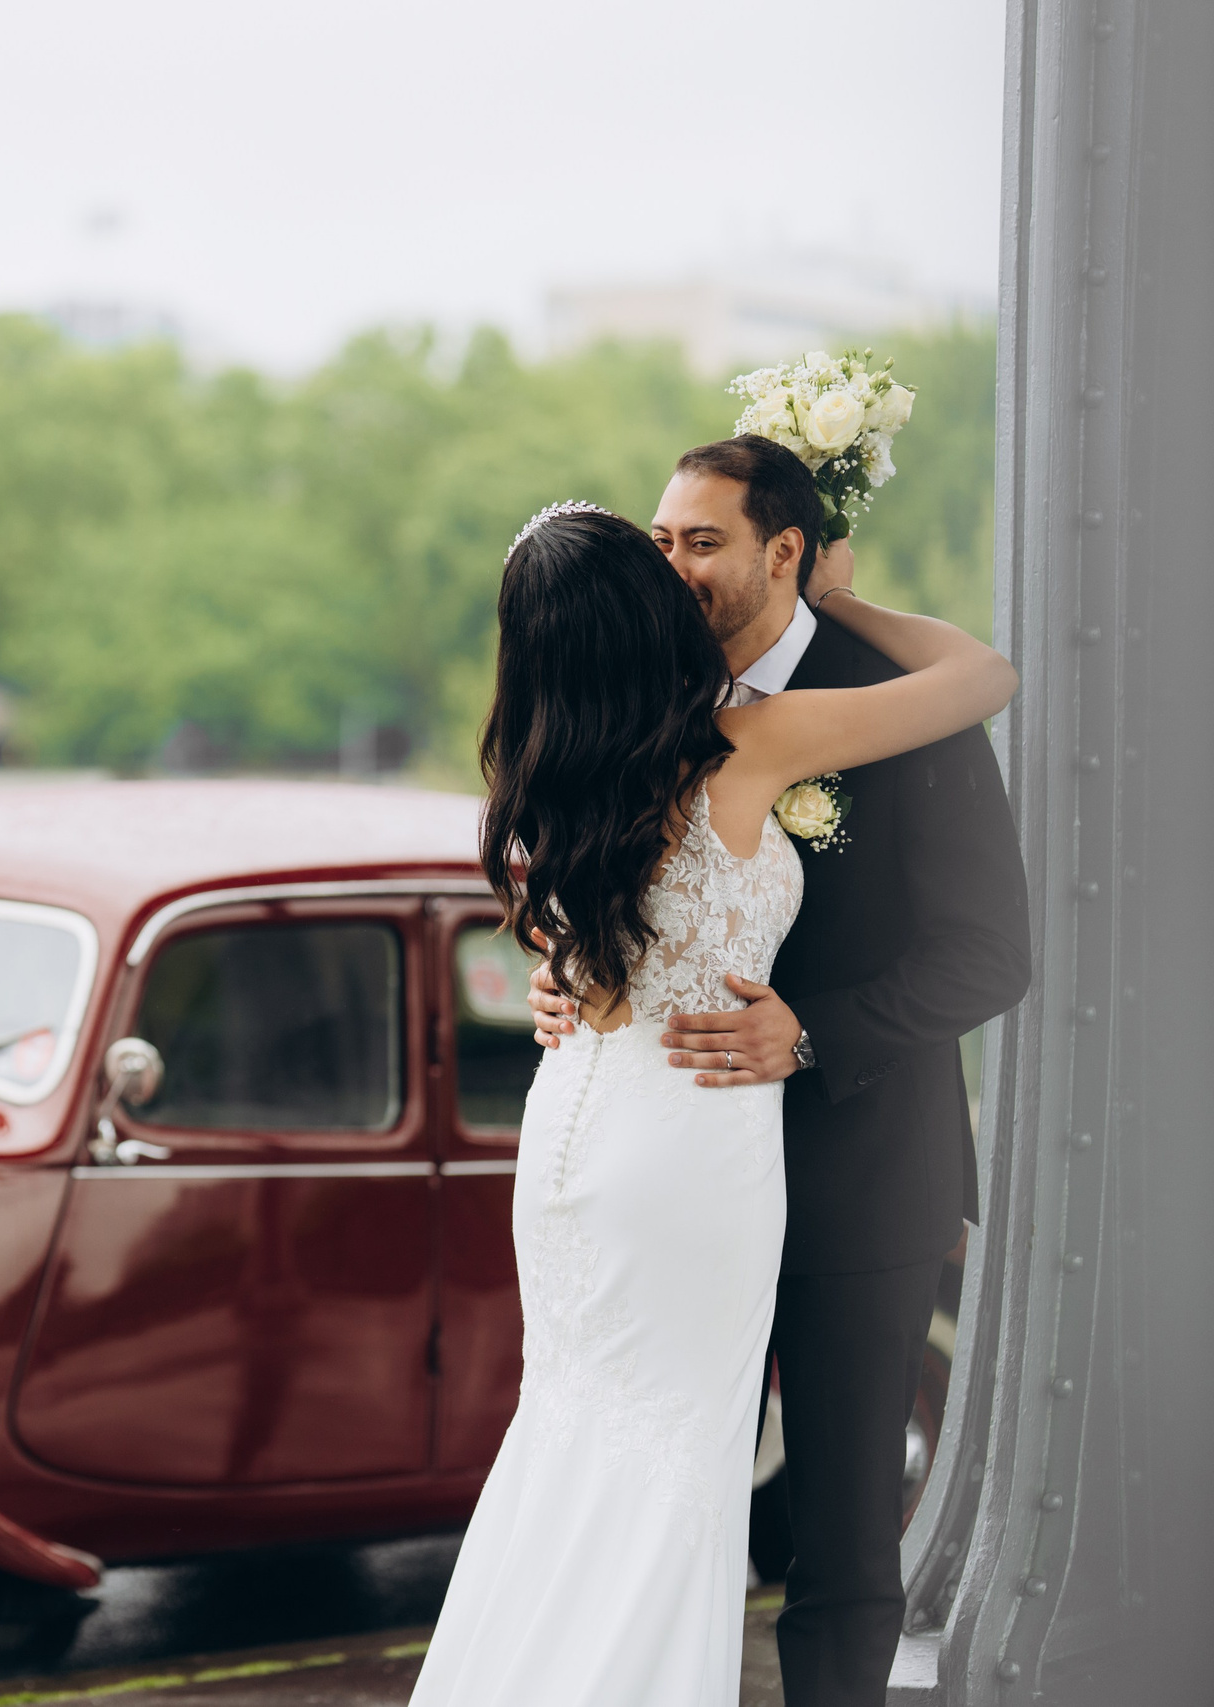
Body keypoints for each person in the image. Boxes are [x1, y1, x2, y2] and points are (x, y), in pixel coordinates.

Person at [408, 478, 1018, 1707]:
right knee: (670, 1462)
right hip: (690, 1147)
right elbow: (983, 677)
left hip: (583, 1135)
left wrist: (567, 983)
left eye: (695, 542)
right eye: (659, 555)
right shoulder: (747, 744)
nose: (677, 570)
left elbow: (591, 945)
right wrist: (853, 598)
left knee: (580, 1442)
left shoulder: (544, 765)